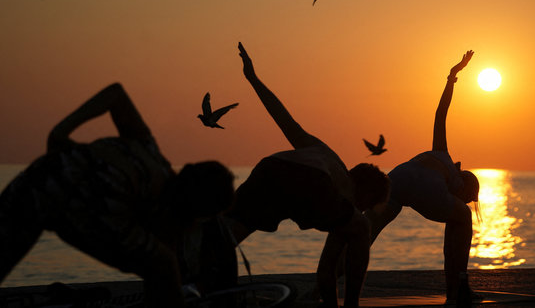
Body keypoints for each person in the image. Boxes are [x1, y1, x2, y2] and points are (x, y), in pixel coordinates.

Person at [0, 83, 235, 307]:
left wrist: (59, 133)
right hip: (31, 203)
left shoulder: (150, 152)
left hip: (31, 182)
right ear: (194, 215)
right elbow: (162, 259)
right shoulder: (124, 216)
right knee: (162, 266)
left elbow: (116, 94)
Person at [224, 43, 390, 308]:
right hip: (309, 180)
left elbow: (284, 120)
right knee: (361, 230)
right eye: (367, 206)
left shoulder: (326, 154)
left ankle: (185, 280)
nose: (361, 210)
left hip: (270, 168)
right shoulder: (342, 197)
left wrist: (253, 79)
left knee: (226, 237)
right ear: (366, 193)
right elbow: (327, 268)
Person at [365, 50, 481, 303]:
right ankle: (458, 289)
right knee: (463, 217)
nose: (463, 199)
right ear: (464, 186)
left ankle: (320, 287)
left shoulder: (440, 151)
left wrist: (452, 77)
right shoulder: (451, 172)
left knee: (362, 235)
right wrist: (452, 76)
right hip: (426, 188)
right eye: (467, 196)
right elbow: (441, 113)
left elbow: (441, 113)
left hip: (396, 180)